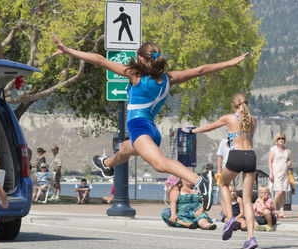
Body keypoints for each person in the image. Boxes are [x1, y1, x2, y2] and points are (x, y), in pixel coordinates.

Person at [51, 34, 248, 210]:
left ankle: (199, 181)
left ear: (140, 59)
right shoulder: (169, 78)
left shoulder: (135, 76)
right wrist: (229, 63)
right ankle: (107, 164)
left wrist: (69, 50)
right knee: (126, 149)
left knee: (159, 164)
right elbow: (200, 70)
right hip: (151, 129)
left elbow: (100, 60)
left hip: (139, 127)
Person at [183, 92, 258, 249]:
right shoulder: (253, 120)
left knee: (223, 183)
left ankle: (230, 218)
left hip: (236, 155)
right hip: (251, 156)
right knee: (246, 200)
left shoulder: (229, 118)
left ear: (233, 105)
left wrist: (192, 131)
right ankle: (251, 237)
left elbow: (209, 127)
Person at [268, 132, 291, 218]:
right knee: (279, 191)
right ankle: (272, 208)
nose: (281, 140)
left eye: (282, 139)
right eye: (279, 139)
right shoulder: (273, 149)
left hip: (284, 172)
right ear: (276, 140)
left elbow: (288, 160)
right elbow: (269, 162)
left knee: (283, 192)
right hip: (276, 172)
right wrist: (271, 172)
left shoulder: (286, 150)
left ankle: (281, 211)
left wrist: (289, 163)